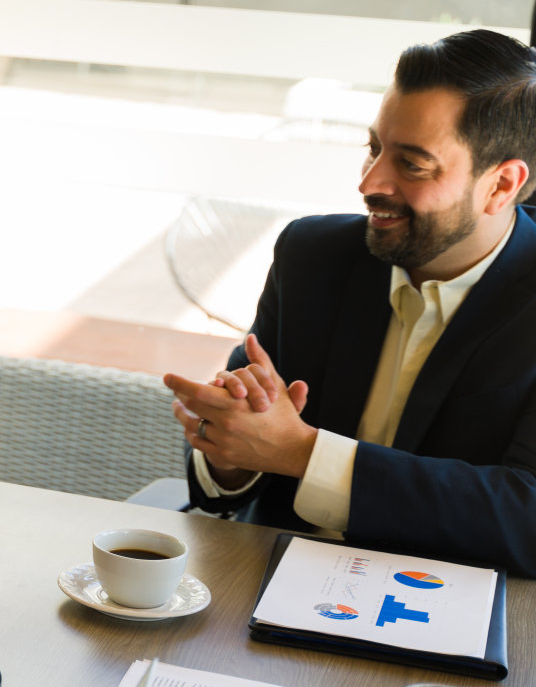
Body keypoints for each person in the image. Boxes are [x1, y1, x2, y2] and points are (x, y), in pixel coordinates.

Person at [164, 28, 536, 576]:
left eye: (411, 164)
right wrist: (229, 453)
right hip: (265, 579)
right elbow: (225, 485)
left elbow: (525, 517)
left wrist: (301, 452)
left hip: (442, 604)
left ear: (501, 186)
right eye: (374, 148)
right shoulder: (313, 255)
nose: (369, 181)